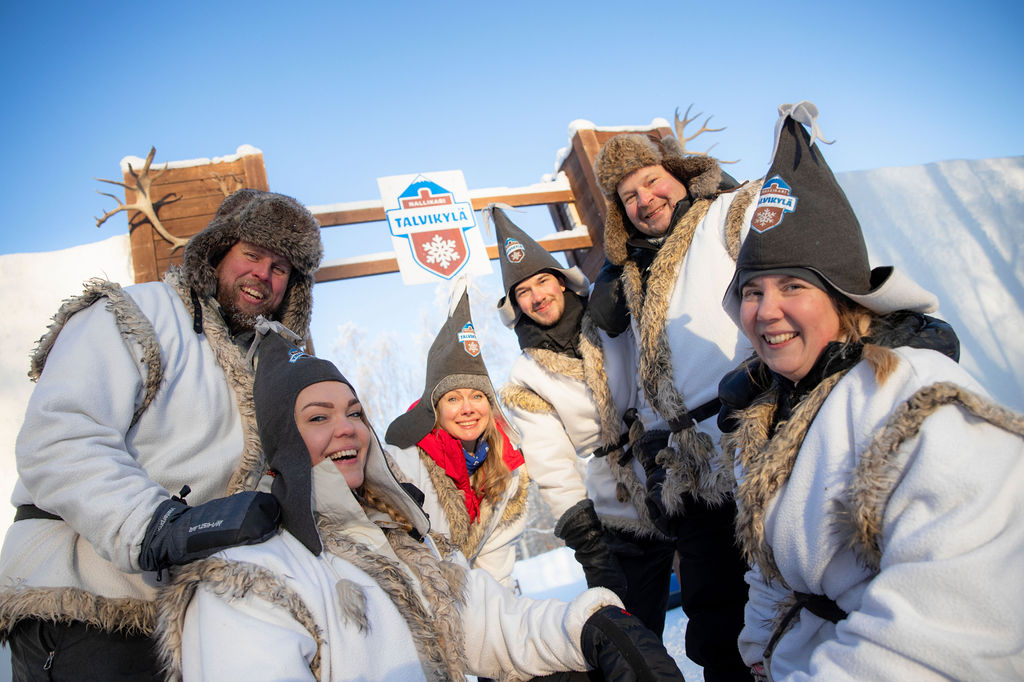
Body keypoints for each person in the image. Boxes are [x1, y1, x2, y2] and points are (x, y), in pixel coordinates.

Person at [155, 324, 686, 681]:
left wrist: (591, 629)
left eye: (354, 412)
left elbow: (489, 616)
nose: (346, 429)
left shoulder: (403, 540)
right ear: (282, 444)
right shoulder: (245, 578)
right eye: (318, 417)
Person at [719, 101, 1024, 680]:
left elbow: (954, 626)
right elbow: (771, 571)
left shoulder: (917, 402)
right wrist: (757, 652)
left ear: (843, 297)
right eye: (753, 291)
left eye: (792, 286)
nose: (766, 310)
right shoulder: (777, 411)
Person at [0, 188, 323, 680]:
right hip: (85, 605)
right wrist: (157, 527)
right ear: (217, 251)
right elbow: (59, 438)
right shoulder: (135, 315)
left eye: (281, 268)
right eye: (252, 254)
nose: (263, 274)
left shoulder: (275, 365)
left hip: (198, 617)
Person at [589, 126, 757, 679]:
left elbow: (797, 258)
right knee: (715, 625)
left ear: (678, 176)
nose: (644, 200)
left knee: (787, 594)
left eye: (651, 181)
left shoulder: (726, 215)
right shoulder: (631, 274)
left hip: (751, 438)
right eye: (628, 197)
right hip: (686, 469)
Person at [486, 204, 675, 635]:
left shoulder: (613, 318)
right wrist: (591, 547)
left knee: (717, 608)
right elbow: (552, 465)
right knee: (635, 638)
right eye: (523, 292)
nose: (537, 295)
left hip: (675, 467)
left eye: (542, 280)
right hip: (617, 508)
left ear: (563, 283)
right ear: (516, 307)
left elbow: (657, 371)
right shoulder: (524, 378)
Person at [384, 285, 528, 588]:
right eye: (452, 399)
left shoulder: (507, 467)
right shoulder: (406, 463)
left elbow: (495, 565)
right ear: (435, 409)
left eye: (477, 396)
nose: (467, 409)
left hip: (483, 602)